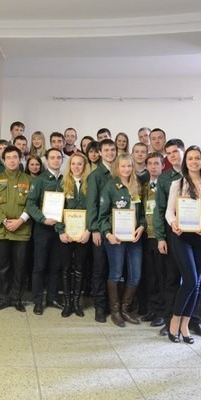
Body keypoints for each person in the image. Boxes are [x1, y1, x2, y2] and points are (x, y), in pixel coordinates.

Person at [165, 145, 201, 344]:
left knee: (197, 281)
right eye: (190, 158)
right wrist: (173, 223)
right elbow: (169, 211)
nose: (194, 161)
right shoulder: (177, 184)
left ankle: (185, 324)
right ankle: (174, 320)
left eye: (197, 158)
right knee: (191, 280)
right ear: (186, 162)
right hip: (181, 236)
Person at [100, 154, 146, 327]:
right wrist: (108, 234)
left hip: (134, 238)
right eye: (123, 166)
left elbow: (142, 214)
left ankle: (125, 310)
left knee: (135, 275)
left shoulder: (137, 185)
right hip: (115, 238)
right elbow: (102, 215)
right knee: (116, 273)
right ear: (117, 168)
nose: (126, 169)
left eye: (129, 166)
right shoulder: (110, 186)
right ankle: (115, 311)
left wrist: (141, 227)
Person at [0, 145, 32, 312]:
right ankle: (4, 298)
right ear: (3, 161)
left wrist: (20, 221)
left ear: (20, 159)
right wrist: (4, 221)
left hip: (22, 230)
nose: (12, 160)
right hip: (1, 230)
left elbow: (33, 203)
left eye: (15, 157)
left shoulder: (29, 180)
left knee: (20, 267)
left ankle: (17, 298)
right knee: (2, 266)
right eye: (8, 158)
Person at [27, 148, 64, 315]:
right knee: (39, 266)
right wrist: (42, 219)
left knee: (56, 266)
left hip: (59, 229)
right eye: (52, 158)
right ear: (47, 161)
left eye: (58, 157)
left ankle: (52, 298)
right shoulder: (39, 180)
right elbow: (30, 204)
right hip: (42, 229)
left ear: (62, 160)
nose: (56, 160)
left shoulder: (65, 180)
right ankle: (37, 301)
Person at [55, 152, 91, 317]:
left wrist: (89, 230)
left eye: (80, 164)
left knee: (80, 268)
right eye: (73, 164)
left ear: (84, 166)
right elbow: (56, 209)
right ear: (69, 166)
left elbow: (94, 209)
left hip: (83, 234)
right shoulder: (62, 184)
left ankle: (77, 302)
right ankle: (68, 303)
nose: (76, 167)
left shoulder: (90, 184)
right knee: (66, 268)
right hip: (66, 235)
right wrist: (61, 230)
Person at [86, 139, 117, 322]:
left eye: (113, 150)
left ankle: (114, 305)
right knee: (100, 268)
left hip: (118, 229)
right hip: (100, 229)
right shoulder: (96, 175)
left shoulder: (120, 172)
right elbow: (92, 204)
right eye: (106, 150)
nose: (110, 153)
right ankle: (99, 306)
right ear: (100, 152)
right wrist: (94, 229)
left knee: (115, 269)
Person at [139, 152, 167, 327]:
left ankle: (162, 312)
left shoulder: (167, 186)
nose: (153, 167)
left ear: (163, 166)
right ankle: (152, 308)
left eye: (157, 163)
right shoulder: (143, 187)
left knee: (161, 275)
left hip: (160, 237)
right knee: (150, 276)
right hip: (146, 236)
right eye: (150, 164)